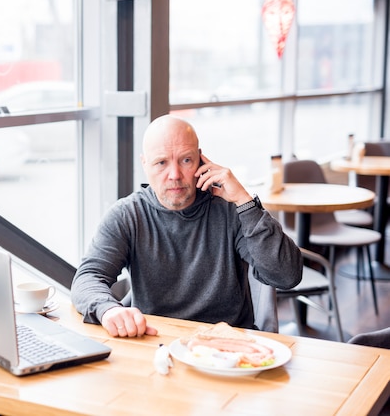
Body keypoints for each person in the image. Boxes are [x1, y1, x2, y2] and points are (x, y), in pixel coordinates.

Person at [71, 114, 303, 338]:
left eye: (186, 160)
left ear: (201, 159)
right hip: (156, 343)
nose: (175, 174)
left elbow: (287, 276)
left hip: (227, 349)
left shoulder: (230, 209)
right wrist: (109, 309)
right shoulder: (128, 215)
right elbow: (88, 278)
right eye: (161, 162)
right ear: (145, 164)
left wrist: (244, 201)